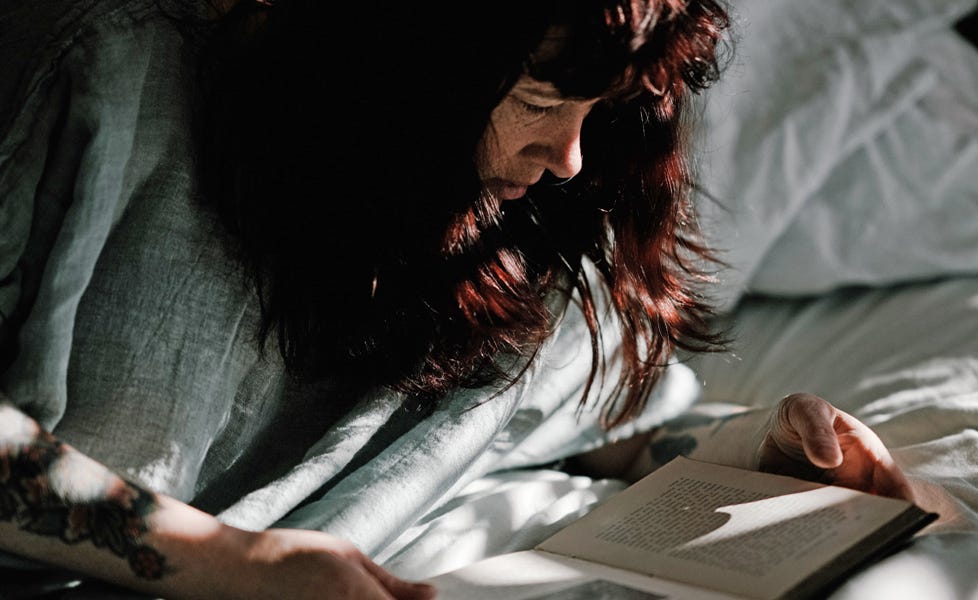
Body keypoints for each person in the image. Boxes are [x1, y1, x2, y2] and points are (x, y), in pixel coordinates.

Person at [0, 0, 913, 598]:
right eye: (537, 100)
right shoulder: (111, 84)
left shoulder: (530, 222)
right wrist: (224, 565)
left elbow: (553, 425)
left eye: (599, 110)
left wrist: (751, 455)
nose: (569, 158)